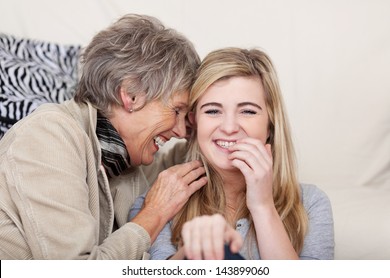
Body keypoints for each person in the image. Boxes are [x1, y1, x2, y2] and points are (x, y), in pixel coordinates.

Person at [0, 14, 208, 259]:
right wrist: (155, 212)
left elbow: (180, 165)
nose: (181, 131)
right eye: (176, 111)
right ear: (131, 95)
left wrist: (210, 124)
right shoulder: (49, 134)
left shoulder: (124, 159)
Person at [129, 47, 335, 260]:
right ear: (194, 122)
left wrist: (263, 206)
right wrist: (196, 251)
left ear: (270, 125)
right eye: (212, 111)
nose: (229, 127)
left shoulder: (311, 204)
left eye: (247, 111)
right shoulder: (157, 202)